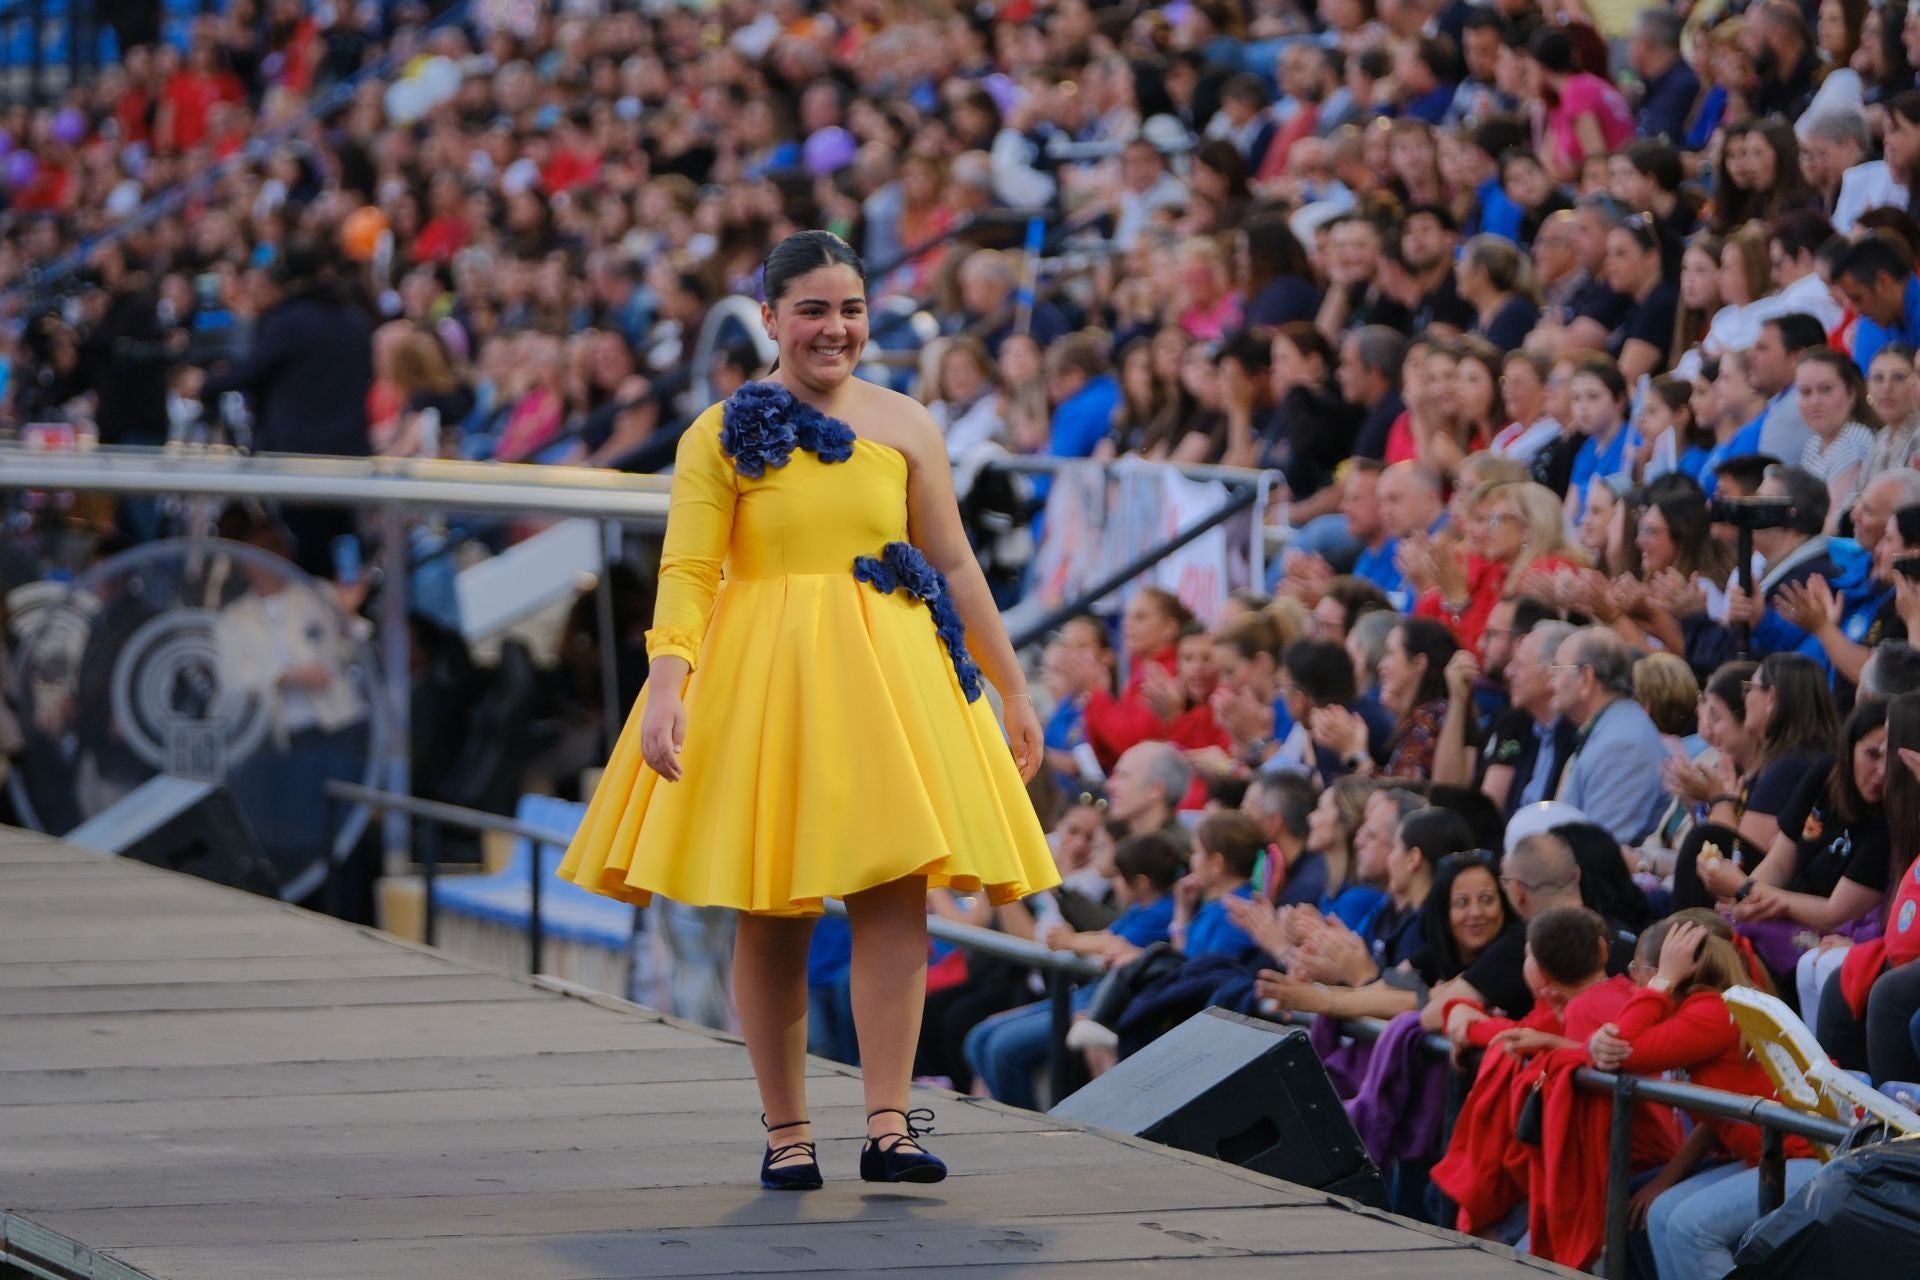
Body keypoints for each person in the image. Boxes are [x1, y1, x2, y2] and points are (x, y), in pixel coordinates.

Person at [557, 232, 1060, 1190]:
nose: (837, 328)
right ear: (773, 320)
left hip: (891, 680)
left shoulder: (908, 421)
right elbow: (690, 568)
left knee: (894, 893)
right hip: (768, 682)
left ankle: (888, 1124)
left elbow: (954, 563)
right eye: (816, 310)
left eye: (852, 309)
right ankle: (788, 1131)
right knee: (772, 906)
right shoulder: (715, 431)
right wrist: (667, 681)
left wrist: (1015, 684)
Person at [1550, 627, 1672, 845]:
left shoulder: (1622, 745)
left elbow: (1601, 850)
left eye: (1557, 670)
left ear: (1586, 678)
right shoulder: (1611, 727)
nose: (1551, 684)